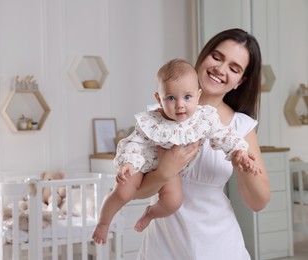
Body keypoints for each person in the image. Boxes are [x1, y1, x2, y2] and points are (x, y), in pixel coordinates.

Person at [91, 58, 261, 245]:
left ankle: (150, 213)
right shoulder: (152, 120)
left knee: (173, 202)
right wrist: (128, 163)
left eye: (187, 97)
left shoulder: (204, 118)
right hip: (141, 163)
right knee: (123, 192)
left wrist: (239, 151)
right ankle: (103, 222)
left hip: (172, 169)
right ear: (159, 98)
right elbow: (134, 142)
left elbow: (224, 135)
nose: (180, 105)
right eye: (171, 98)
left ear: (198, 95)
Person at [135, 28, 270, 260]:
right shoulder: (159, 118)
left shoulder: (240, 127)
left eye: (234, 68)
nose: (220, 68)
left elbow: (258, 202)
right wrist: (164, 173)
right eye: (217, 57)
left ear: (241, 81)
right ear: (203, 56)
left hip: (219, 247)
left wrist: (241, 164)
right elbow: (137, 192)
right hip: (163, 248)